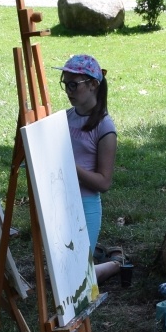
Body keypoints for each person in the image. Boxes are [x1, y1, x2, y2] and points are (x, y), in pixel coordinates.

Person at [56, 54, 125, 285]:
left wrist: (70, 167)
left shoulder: (105, 128)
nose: (68, 90)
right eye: (66, 84)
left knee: (77, 282)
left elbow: (104, 183)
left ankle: (115, 264)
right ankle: (95, 254)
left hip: (85, 207)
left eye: (74, 85)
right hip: (60, 201)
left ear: (93, 84)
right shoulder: (66, 118)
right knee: (60, 275)